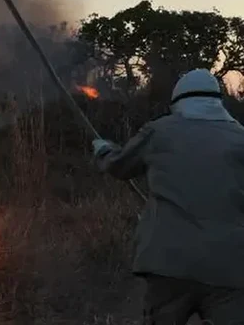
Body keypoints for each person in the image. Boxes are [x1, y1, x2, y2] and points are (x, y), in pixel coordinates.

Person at [92, 68, 244, 325]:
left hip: (168, 264)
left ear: (178, 101)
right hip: (229, 268)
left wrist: (103, 151)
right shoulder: (240, 138)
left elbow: (119, 166)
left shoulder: (159, 131)